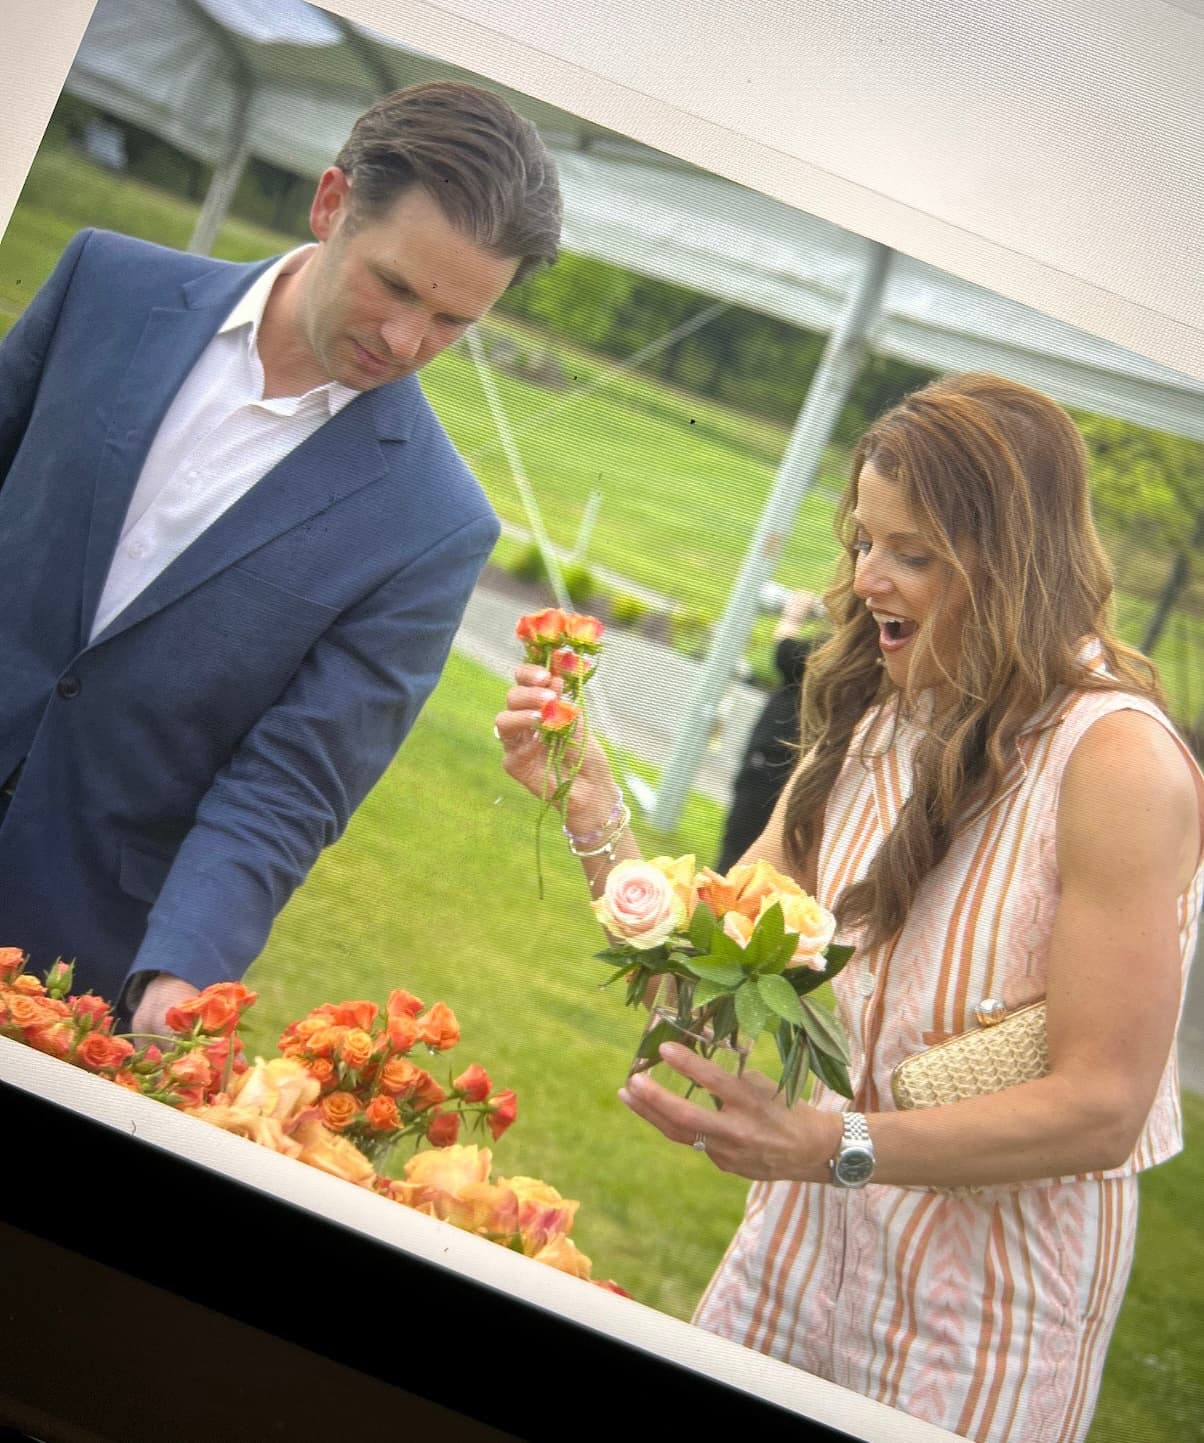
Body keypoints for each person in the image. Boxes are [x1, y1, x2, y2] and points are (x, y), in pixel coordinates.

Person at [494, 373, 1203, 1442]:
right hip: (794, 1261)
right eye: (863, 540)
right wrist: (595, 814)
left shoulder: (1116, 761)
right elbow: (724, 962)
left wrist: (834, 1145)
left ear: (1014, 563)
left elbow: (1104, 1104)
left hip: (981, 1326)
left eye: (910, 553)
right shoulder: (877, 710)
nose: (866, 577)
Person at [0, 81, 561, 1034]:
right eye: (395, 286)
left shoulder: (437, 522)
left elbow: (292, 783)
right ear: (333, 202)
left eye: (452, 323)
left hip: (70, 954)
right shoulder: (103, 282)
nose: (405, 339)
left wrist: (182, 978)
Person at [715, 588, 823, 874]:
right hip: (795, 759)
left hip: (778, 755)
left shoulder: (842, 651)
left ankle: (728, 899)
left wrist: (794, 615)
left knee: (743, 844)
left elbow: (786, 655)